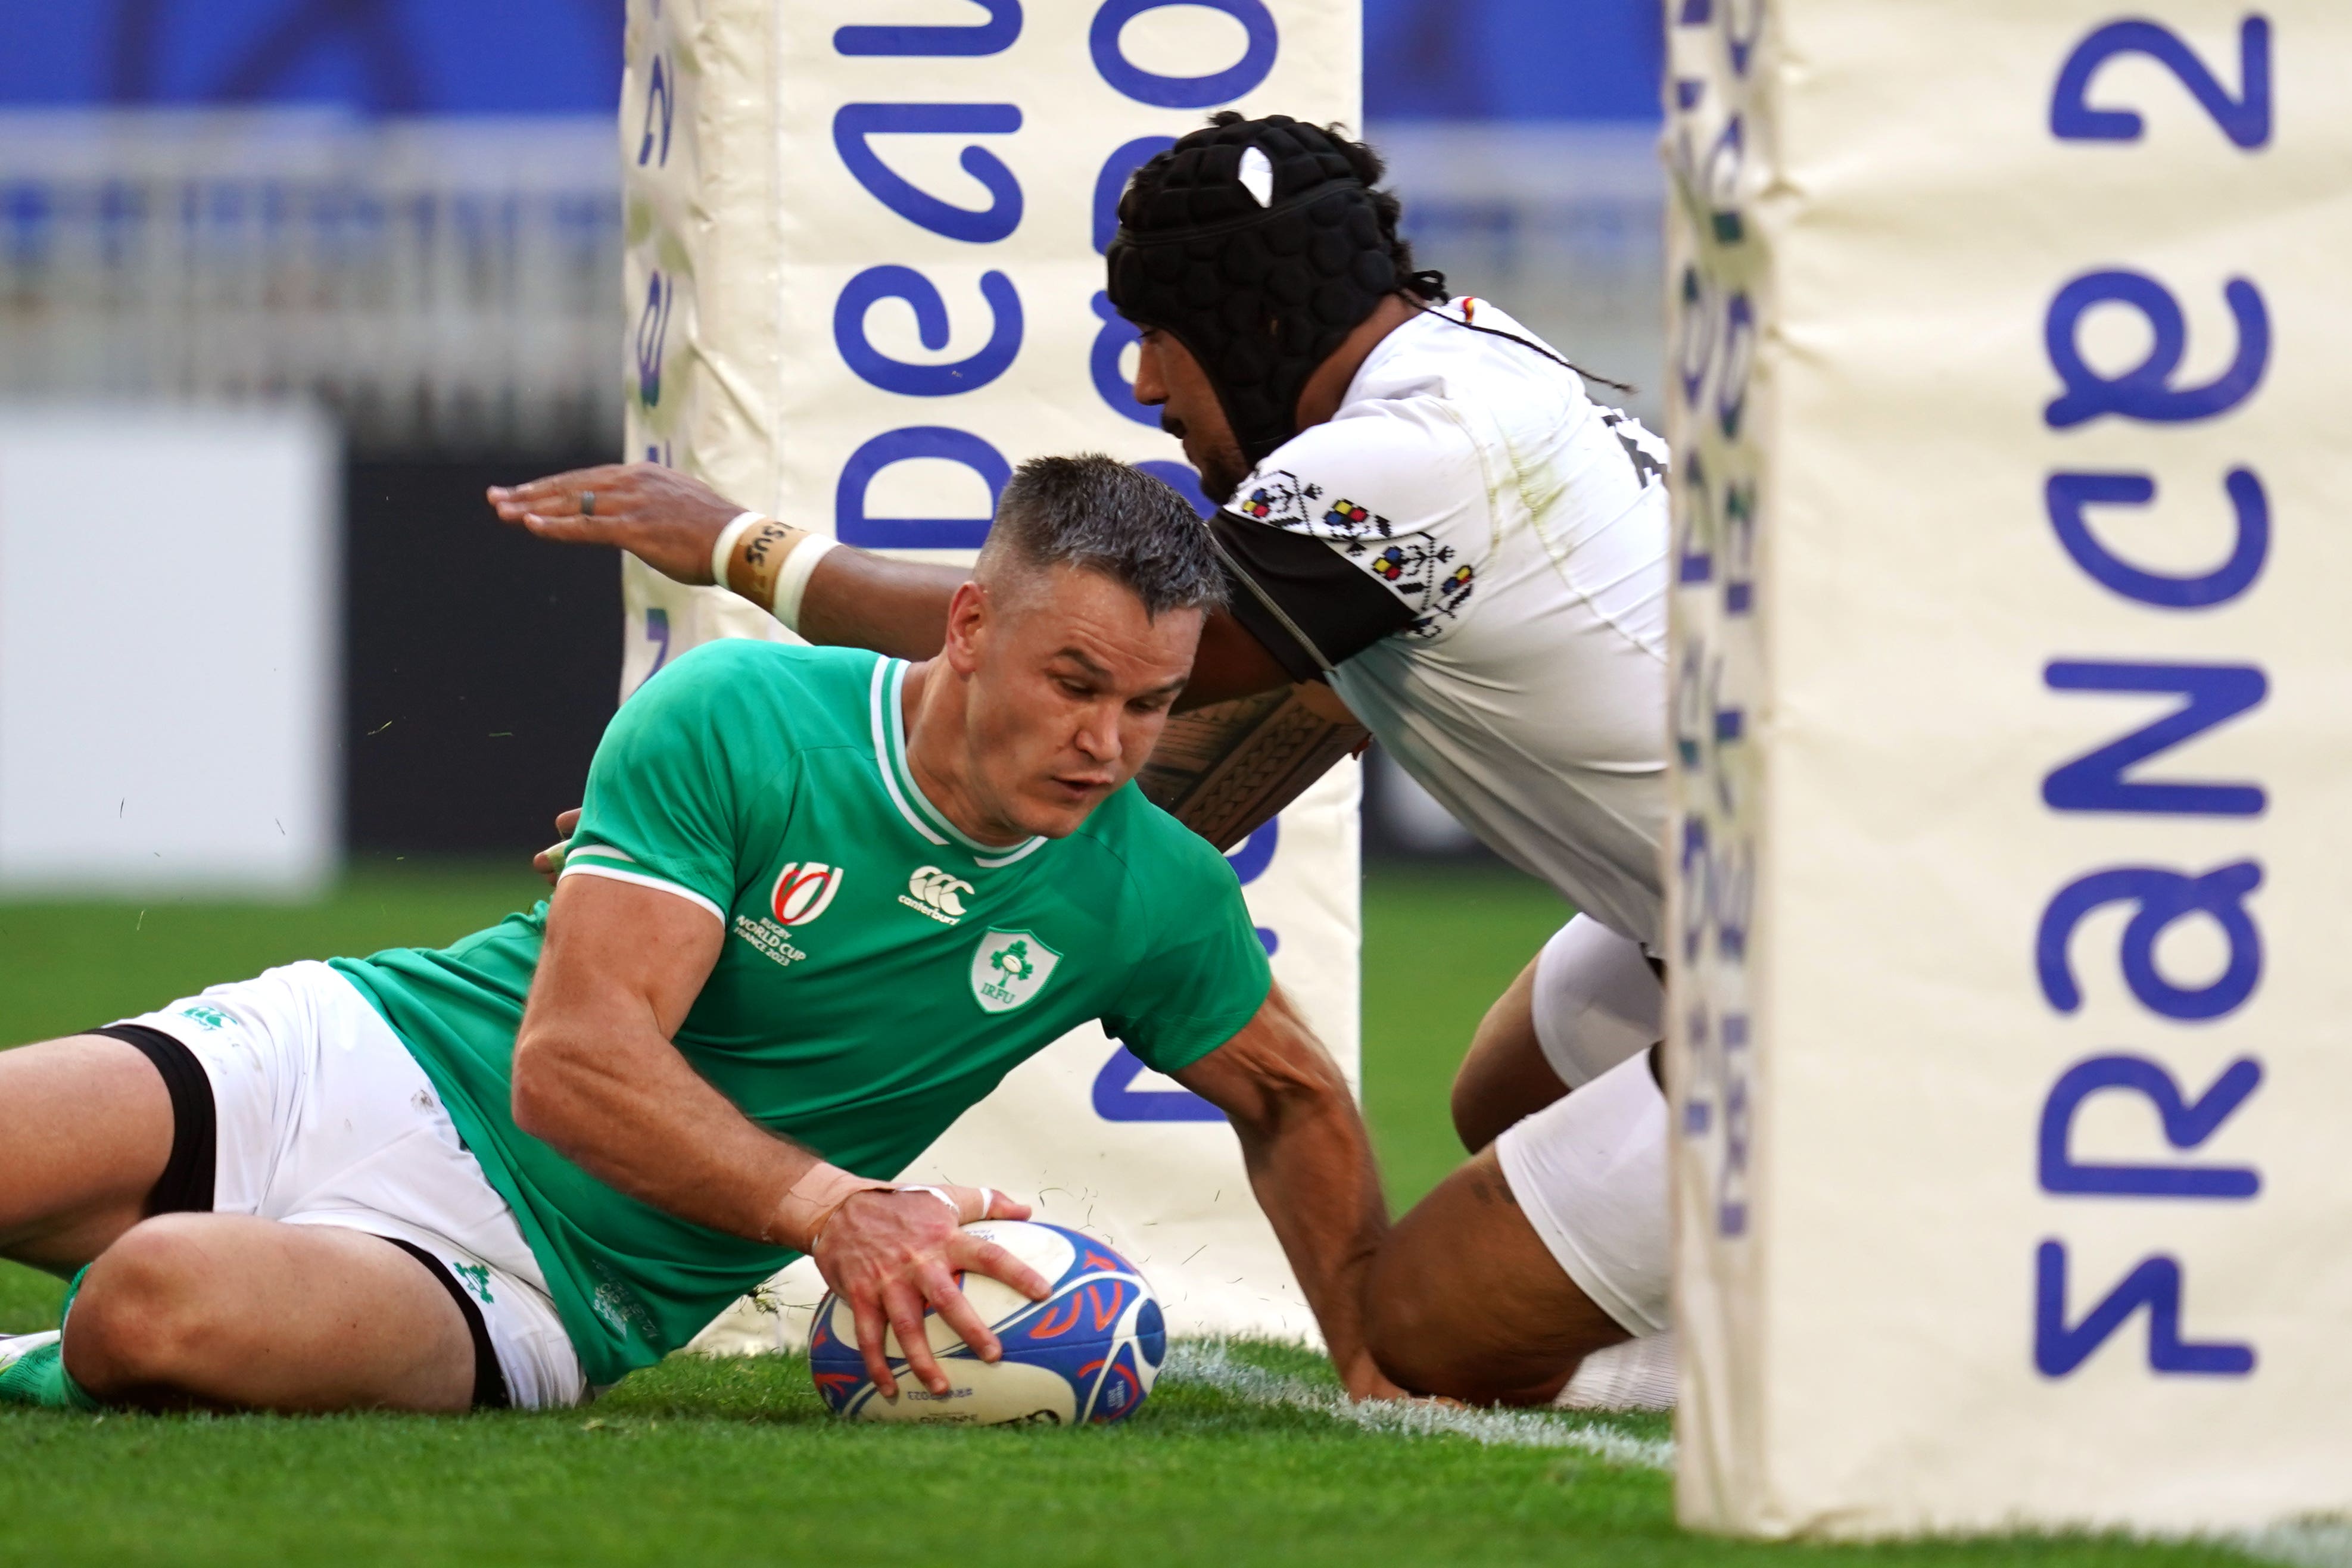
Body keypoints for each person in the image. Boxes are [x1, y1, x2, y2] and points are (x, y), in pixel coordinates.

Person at [487, 114, 1677, 1408]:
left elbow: (1063, 637)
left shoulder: (1406, 460)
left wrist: (745, 549)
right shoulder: (1471, 366)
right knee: (1511, 1094)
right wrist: (727, 846)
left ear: (1254, 329)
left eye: (1158, 337)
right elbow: (1245, 716)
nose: (1149, 389)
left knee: (1432, 1333)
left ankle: (1813, 1350)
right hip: (1704, 905)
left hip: (1805, 948)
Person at [0, 456, 1395, 1415]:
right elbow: (571, 1061)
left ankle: (44, 1363)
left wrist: (1372, 1372)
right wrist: (835, 1212)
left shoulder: (1153, 893)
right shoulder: (739, 713)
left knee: (153, 1305)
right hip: (369, 1052)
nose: (1108, 745)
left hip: (547, 1282)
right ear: (970, 625)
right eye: (1075, 683)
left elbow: (1293, 1095)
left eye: (1149, 706)